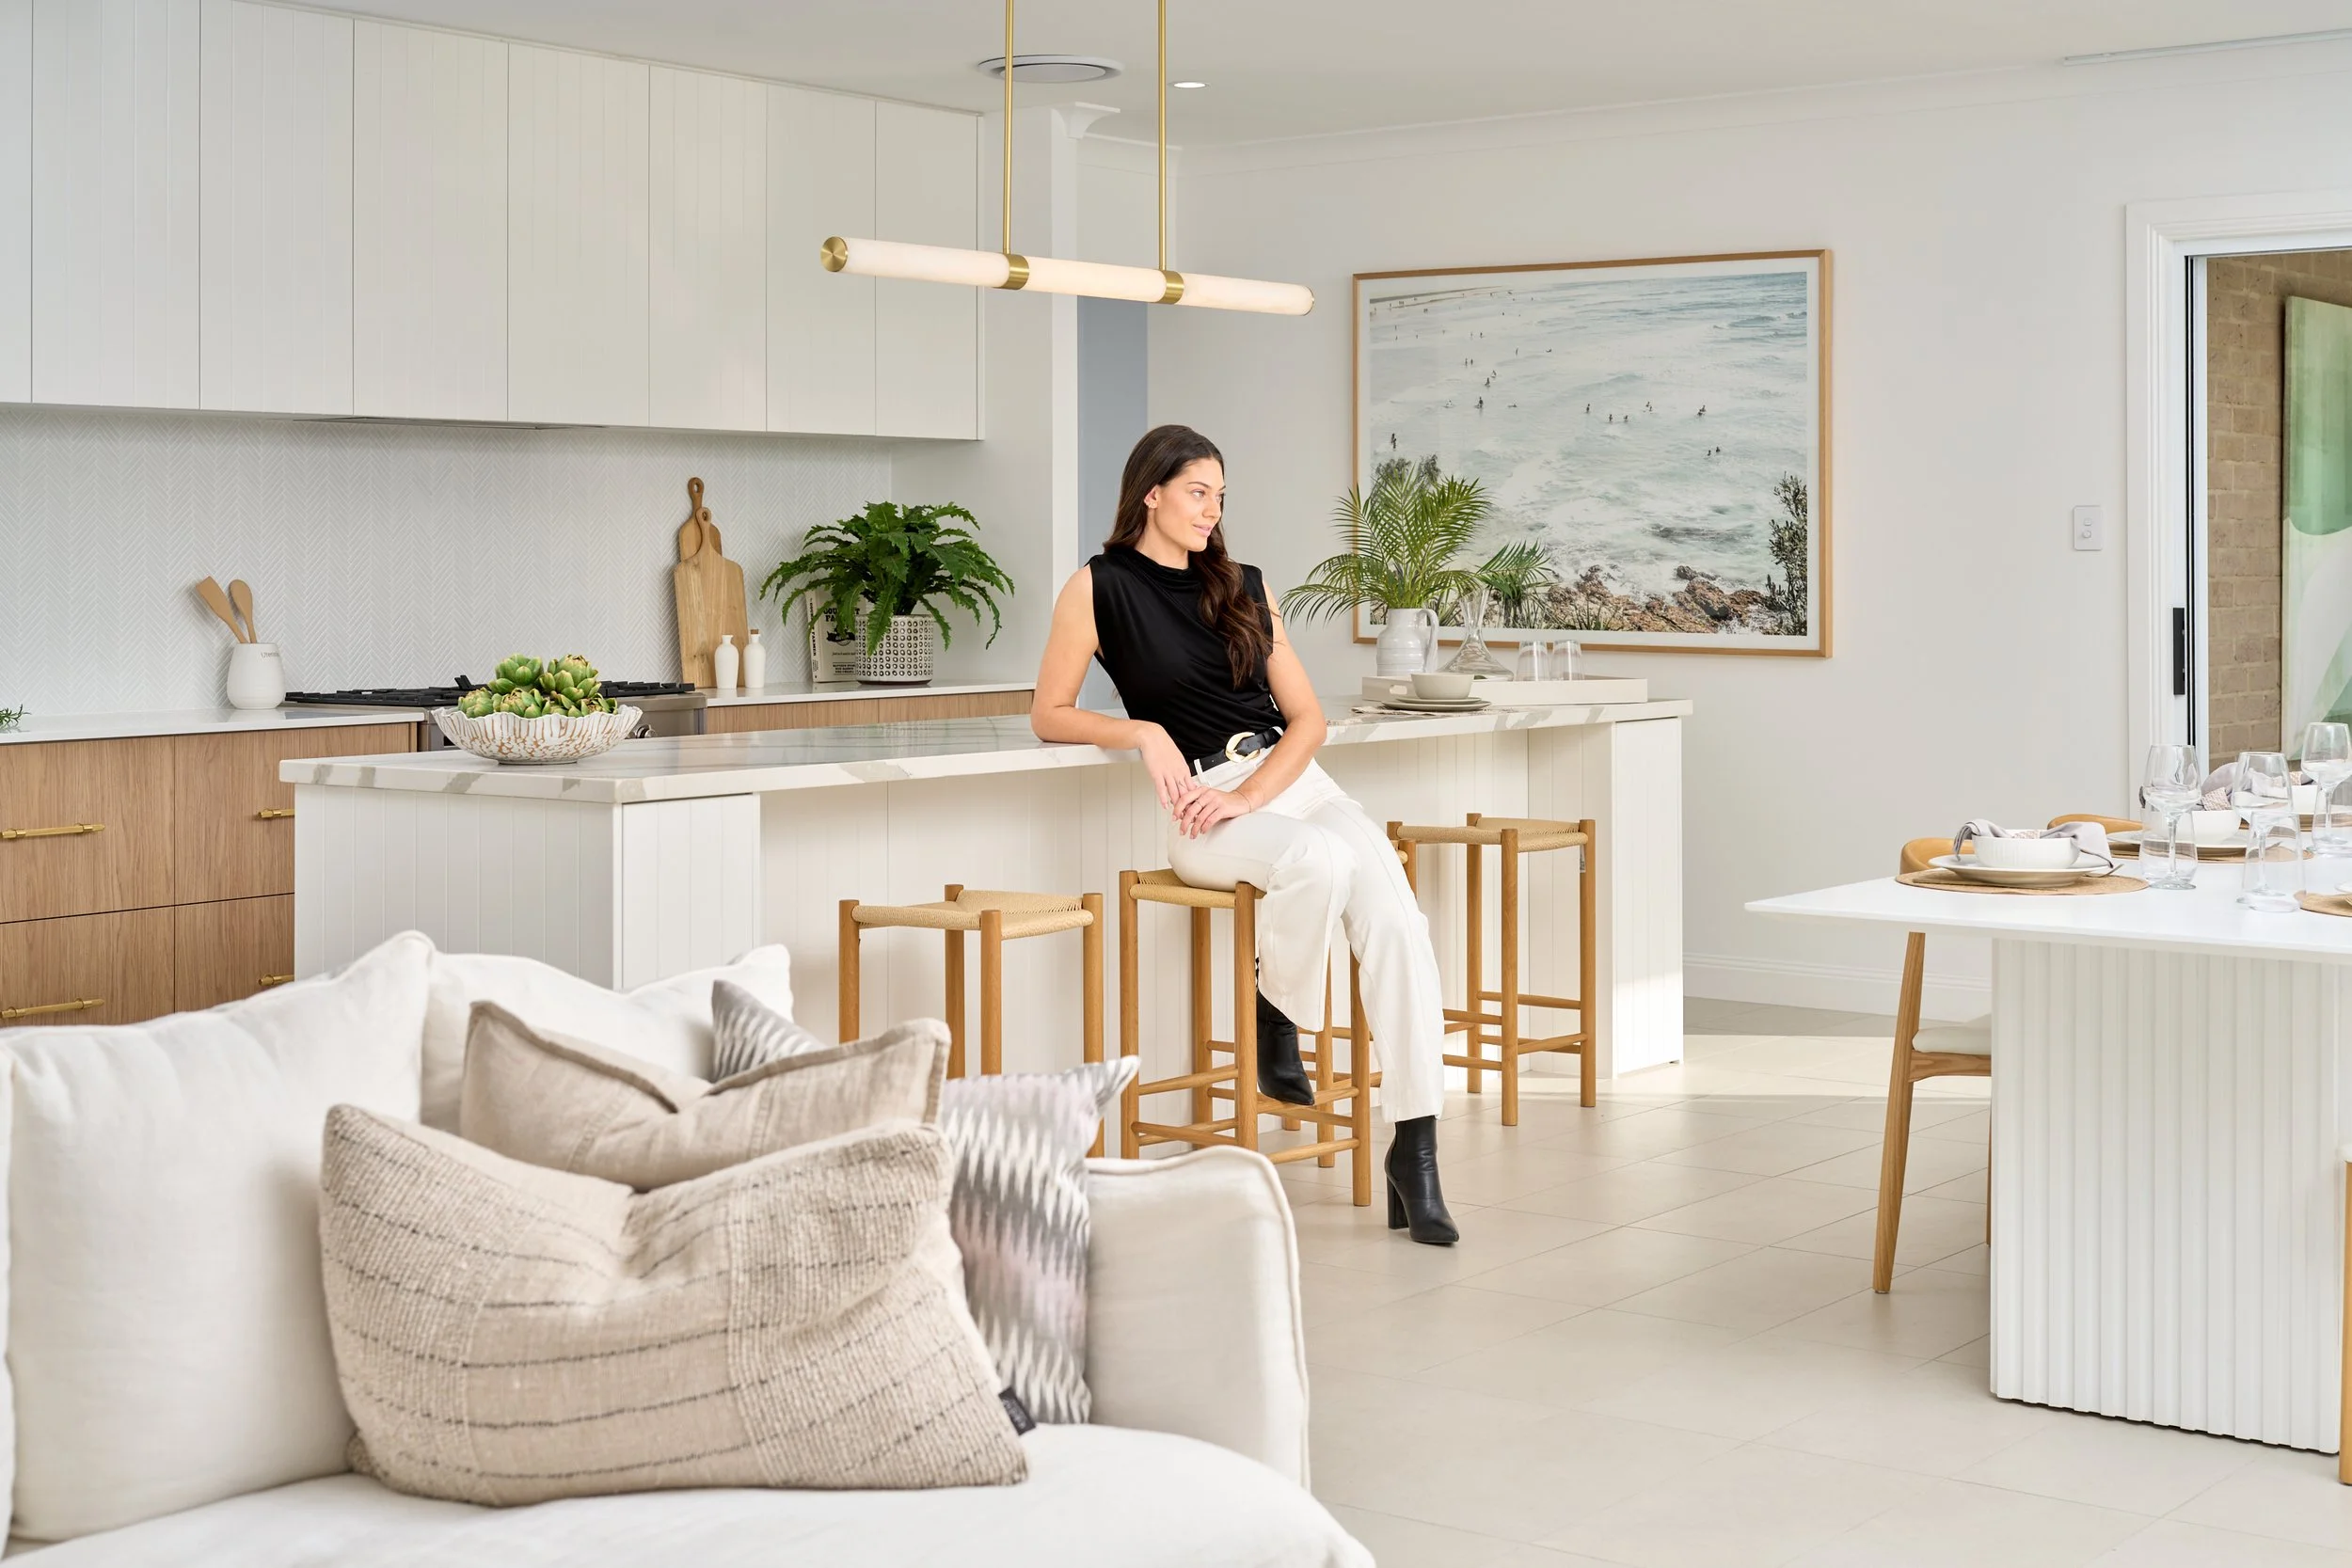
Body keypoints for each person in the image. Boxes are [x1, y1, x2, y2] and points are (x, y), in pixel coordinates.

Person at [1030, 424, 1458, 1244]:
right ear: (1151, 493)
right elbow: (1048, 711)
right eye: (1198, 492)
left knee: (1400, 922)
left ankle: (1417, 1147)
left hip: (1289, 782)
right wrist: (1143, 732)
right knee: (1316, 859)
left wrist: (1258, 791)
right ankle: (1274, 1015)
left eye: (1219, 496)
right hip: (1202, 803)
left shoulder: (1245, 586)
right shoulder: (1099, 587)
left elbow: (1308, 719)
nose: (1211, 510)